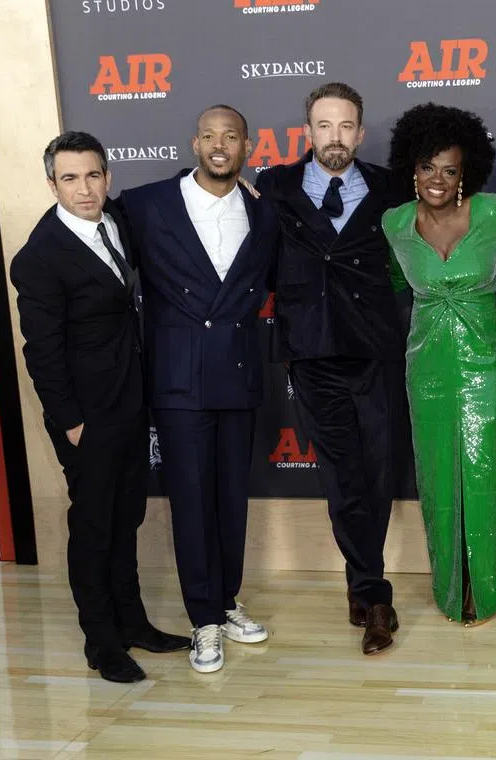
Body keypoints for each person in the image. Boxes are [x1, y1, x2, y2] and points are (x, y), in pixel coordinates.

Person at [11, 131, 188, 683]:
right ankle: (101, 643)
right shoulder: (39, 258)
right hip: (86, 416)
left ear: (108, 177)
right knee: (94, 525)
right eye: (69, 178)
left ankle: (133, 622)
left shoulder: (118, 219)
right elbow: (40, 350)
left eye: (93, 175)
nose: (84, 189)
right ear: (51, 184)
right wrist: (71, 422)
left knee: (127, 516)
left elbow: (173, 198)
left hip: (132, 400)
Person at [118, 105, 279, 673]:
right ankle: (203, 621)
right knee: (190, 500)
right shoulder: (144, 204)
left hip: (236, 373)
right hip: (178, 379)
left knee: (230, 498)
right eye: (209, 136)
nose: (219, 145)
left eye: (230, 136)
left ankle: (226, 600)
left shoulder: (265, 213)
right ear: (194, 144)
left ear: (247, 147)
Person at [256, 82, 406, 655]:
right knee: (342, 479)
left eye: (345, 126)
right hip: (313, 353)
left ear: (360, 133)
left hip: (376, 353)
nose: (334, 137)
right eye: (324, 126)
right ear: (308, 131)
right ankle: (375, 596)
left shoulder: (392, 188)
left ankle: (360, 583)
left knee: (378, 475)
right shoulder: (275, 187)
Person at [382, 103, 496, 625]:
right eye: (427, 167)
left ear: (468, 172)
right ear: (411, 169)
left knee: (485, 473)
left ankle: (487, 586)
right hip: (426, 365)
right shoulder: (393, 224)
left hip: (487, 360)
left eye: (450, 169)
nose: (437, 180)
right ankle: (449, 586)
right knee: (436, 476)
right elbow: (394, 285)